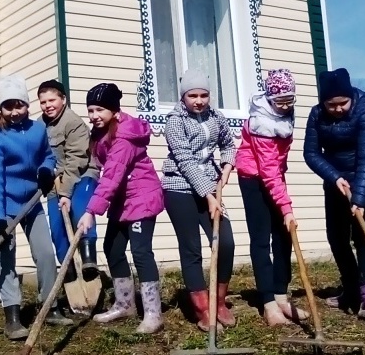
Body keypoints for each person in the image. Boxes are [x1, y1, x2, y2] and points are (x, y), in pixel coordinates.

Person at [0, 74, 72, 340]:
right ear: (1, 108)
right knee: (5, 259)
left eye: (19, 105)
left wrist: (46, 170)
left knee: (46, 253)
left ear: (27, 105)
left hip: (33, 202)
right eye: (8, 106)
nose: (14, 112)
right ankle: (12, 315)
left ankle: (50, 306)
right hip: (7, 206)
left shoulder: (38, 130)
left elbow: (47, 155)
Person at [77, 83, 165, 334]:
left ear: (115, 111)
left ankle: (153, 313)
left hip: (141, 197)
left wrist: (91, 211)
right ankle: (125, 304)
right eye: (91, 110)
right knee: (113, 248)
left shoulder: (124, 137)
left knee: (141, 252)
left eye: (100, 110)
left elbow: (112, 175)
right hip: (122, 200)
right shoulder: (102, 132)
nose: (94, 116)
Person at [303, 67, 365, 319]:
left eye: (343, 103)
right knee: (337, 238)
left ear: (351, 97)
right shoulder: (316, 115)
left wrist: (359, 198)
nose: (338, 109)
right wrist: (334, 176)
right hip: (335, 182)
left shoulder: (364, 112)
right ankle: (350, 288)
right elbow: (311, 153)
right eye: (331, 104)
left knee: (364, 239)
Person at [162, 69, 236, 330]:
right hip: (179, 187)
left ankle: (219, 301)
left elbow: (229, 144)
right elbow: (185, 160)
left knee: (225, 242)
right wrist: (208, 194)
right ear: (183, 96)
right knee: (191, 248)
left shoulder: (217, 117)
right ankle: (203, 308)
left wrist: (226, 168)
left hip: (211, 188)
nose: (199, 100)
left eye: (204, 95)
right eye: (193, 95)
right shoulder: (174, 121)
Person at [237, 69, 308, 326]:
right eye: (281, 101)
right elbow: (267, 170)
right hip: (253, 178)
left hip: (274, 174)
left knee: (283, 235)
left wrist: (283, 200)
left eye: (290, 100)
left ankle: (280, 295)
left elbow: (279, 162)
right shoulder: (261, 123)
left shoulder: (286, 113)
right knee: (261, 238)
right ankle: (268, 302)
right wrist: (286, 206)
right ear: (269, 97)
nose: (286, 105)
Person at [38, 79, 99, 283]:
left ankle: (89, 260)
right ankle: (69, 272)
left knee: (80, 212)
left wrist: (66, 193)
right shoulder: (39, 126)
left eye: (52, 100)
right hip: (56, 183)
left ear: (63, 99)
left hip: (82, 175)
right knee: (56, 228)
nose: (48, 105)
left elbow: (76, 160)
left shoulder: (73, 123)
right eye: (43, 102)